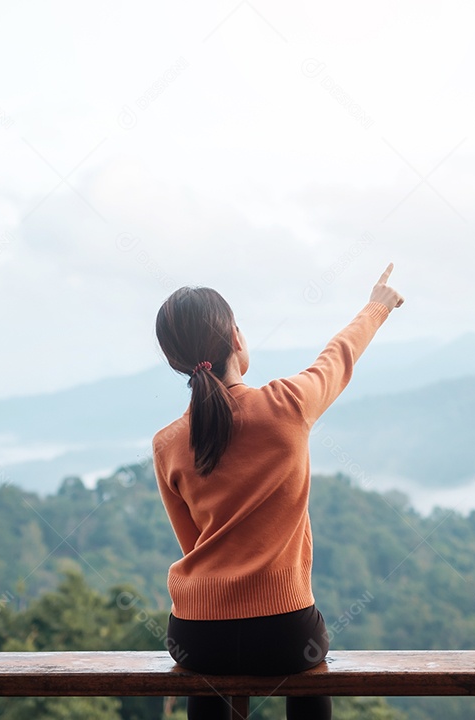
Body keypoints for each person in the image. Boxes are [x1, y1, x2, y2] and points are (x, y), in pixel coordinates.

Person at [151, 263, 404, 720]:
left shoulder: (167, 444)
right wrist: (377, 306)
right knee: (310, 675)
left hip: (195, 634)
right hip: (284, 631)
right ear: (236, 339)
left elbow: (194, 545)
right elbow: (338, 357)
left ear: (176, 363)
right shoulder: (287, 405)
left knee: (208, 686)